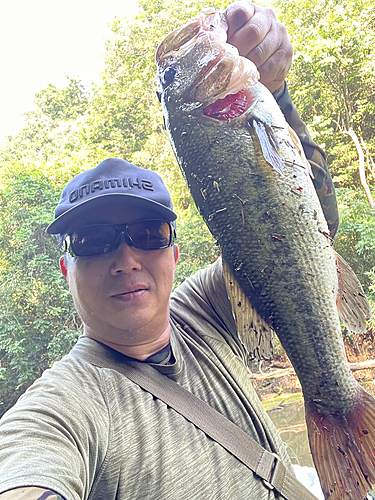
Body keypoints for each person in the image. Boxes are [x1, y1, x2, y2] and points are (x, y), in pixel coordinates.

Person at [0, 2, 338, 500]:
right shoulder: (61, 407)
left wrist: (278, 98)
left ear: (174, 254)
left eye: (146, 234)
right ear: (64, 267)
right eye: (94, 242)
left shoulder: (204, 311)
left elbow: (314, 231)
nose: (126, 259)